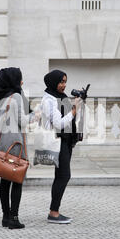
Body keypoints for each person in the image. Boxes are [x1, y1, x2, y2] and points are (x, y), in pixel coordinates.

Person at [0, 67, 38, 229]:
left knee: (5, 181)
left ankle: (5, 216)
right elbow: (22, 121)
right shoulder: (16, 97)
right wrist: (35, 115)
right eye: (20, 79)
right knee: (17, 180)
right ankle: (14, 218)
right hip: (15, 145)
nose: (22, 82)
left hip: (2, 145)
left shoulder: (1, 98)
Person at [41, 69, 82, 224]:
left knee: (61, 176)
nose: (64, 85)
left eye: (65, 81)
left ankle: (54, 211)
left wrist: (75, 105)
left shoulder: (59, 97)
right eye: (61, 81)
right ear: (53, 82)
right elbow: (58, 123)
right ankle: (54, 212)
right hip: (58, 141)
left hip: (65, 140)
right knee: (64, 175)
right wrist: (73, 110)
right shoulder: (49, 100)